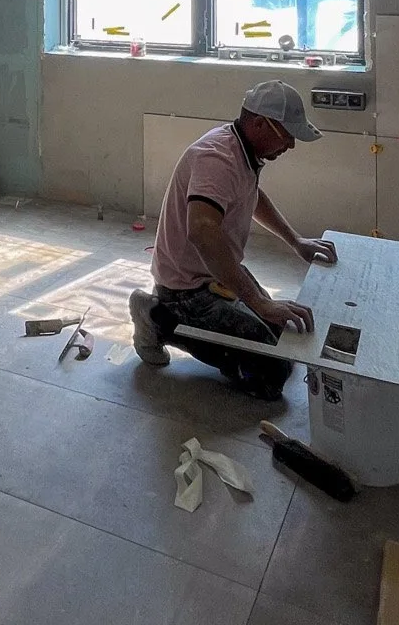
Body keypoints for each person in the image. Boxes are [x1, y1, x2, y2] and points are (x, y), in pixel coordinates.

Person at [130, 80, 337, 399]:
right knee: (272, 376)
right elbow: (201, 231)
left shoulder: (242, 152)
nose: (291, 145)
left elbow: (251, 194)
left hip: (215, 275)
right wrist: (257, 301)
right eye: (287, 135)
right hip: (185, 290)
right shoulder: (217, 158)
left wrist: (296, 241)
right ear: (259, 124)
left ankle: (194, 317)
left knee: (286, 335)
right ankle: (158, 317)